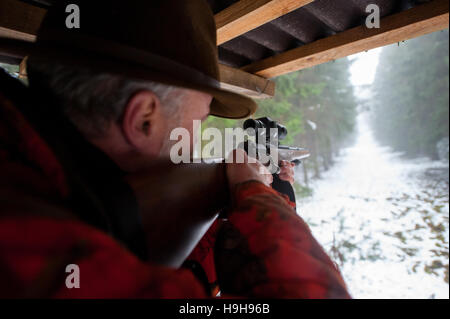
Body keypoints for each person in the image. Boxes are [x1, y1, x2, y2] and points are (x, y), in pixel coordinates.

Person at [0, 0, 350, 298]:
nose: (196, 139)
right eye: (198, 120)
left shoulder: (44, 183)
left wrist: (245, 199)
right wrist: (255, 193)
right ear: (144, 120)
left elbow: (175, 267)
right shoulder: (43, 247)